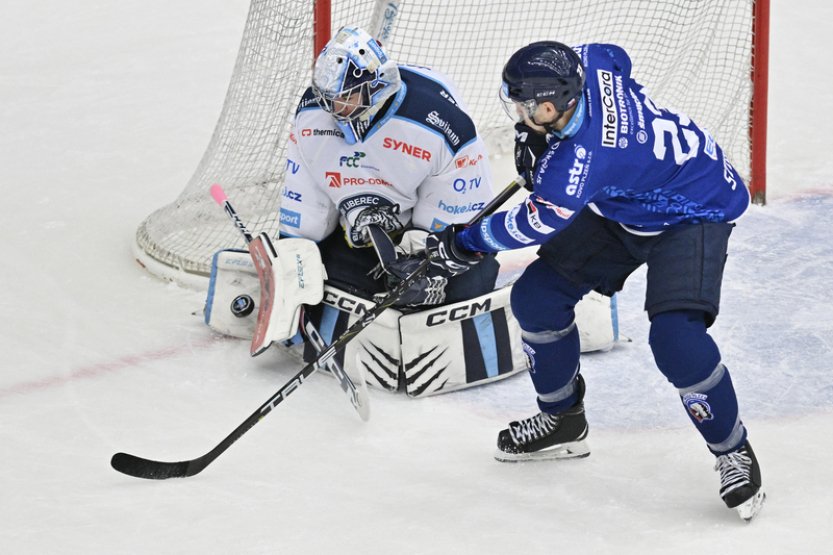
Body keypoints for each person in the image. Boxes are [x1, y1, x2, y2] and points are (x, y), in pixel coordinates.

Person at [424, 41, 765, 519]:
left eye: (529, 107)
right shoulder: (589, 65)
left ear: (558, 102)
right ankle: (562, 420)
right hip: (626, 202)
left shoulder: (579, 162)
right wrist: (548, 138)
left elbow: (534, 223)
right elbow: (613, 54)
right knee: (537, 298)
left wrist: (466, 243)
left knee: (676, 338)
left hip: (694, 210)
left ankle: (733, 450)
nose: (521, 114)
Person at [278, 25, 499, 308]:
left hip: (432, 236)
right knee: (329, 295)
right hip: (363, 238)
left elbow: (456, 208)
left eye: (346, 97)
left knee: (460, 297)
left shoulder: (441, 125)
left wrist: (423, 266)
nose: (334, 108)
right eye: (328, 98)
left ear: (375, 86)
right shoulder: (312, 115)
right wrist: (293, 253)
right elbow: (307, 201)